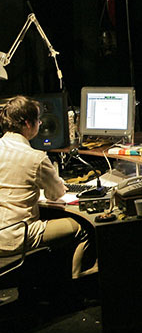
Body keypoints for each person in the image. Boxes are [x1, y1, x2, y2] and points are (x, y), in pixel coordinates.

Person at [0, 96, 93, 281]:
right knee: (83, 227)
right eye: (38, 120)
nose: (40, 123)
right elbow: (55, 194)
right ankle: (78, 280)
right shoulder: (35, 157)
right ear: (28, 123)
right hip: (18, 235)